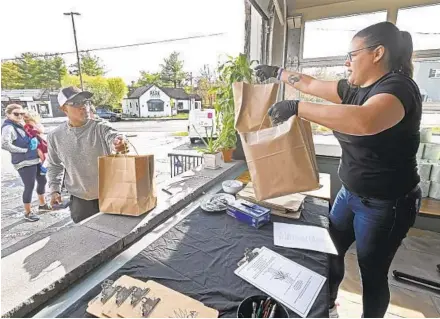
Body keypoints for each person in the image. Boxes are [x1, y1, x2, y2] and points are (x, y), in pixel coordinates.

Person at [255, 21, 422, 318]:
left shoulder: (399, 89)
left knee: (372, 273)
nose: (347, 62)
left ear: (377, 53)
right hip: (350, 194)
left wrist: (298, 109)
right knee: (328, 253)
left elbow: (364, 121)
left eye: (352, 54)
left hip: (386, 204)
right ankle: (328, 307)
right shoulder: (352, 89)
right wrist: (277, 73)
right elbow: (308, 84)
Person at [47, 86, 129, 223]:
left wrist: (119, 142)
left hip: (110, 195)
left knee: (115, 233)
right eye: (76, 103)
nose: (83, 106)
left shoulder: (100, 127)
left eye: (85, 102)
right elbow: (55, 165)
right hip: (80, 200)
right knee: (87, 238)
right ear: (63, 109)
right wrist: (55, 190)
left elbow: (113, 136)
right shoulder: (55, 136)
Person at [1, 104, 52, 222]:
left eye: (21, 113)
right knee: (29, 186)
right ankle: (28, 212)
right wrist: (24, 150)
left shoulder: (21, 124)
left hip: (34, 159)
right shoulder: (8, 127)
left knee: (42, 180)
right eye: (16, 114)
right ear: (8, 114)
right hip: (23, 162)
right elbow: (4, 144)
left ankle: (42, 204)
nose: (19, 116)